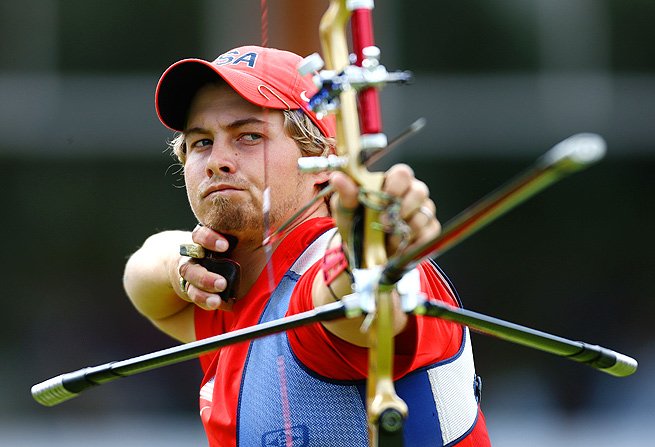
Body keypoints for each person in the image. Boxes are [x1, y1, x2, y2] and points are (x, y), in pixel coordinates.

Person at [123, 45, 491, 446]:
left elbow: (351, 304)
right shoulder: (226, 288)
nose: (217, 160)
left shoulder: (315, 272)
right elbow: (141, 281)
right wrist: (177, 265)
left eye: (249, 136)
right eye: (201, 142)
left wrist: (370, 252)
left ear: (322, 160)